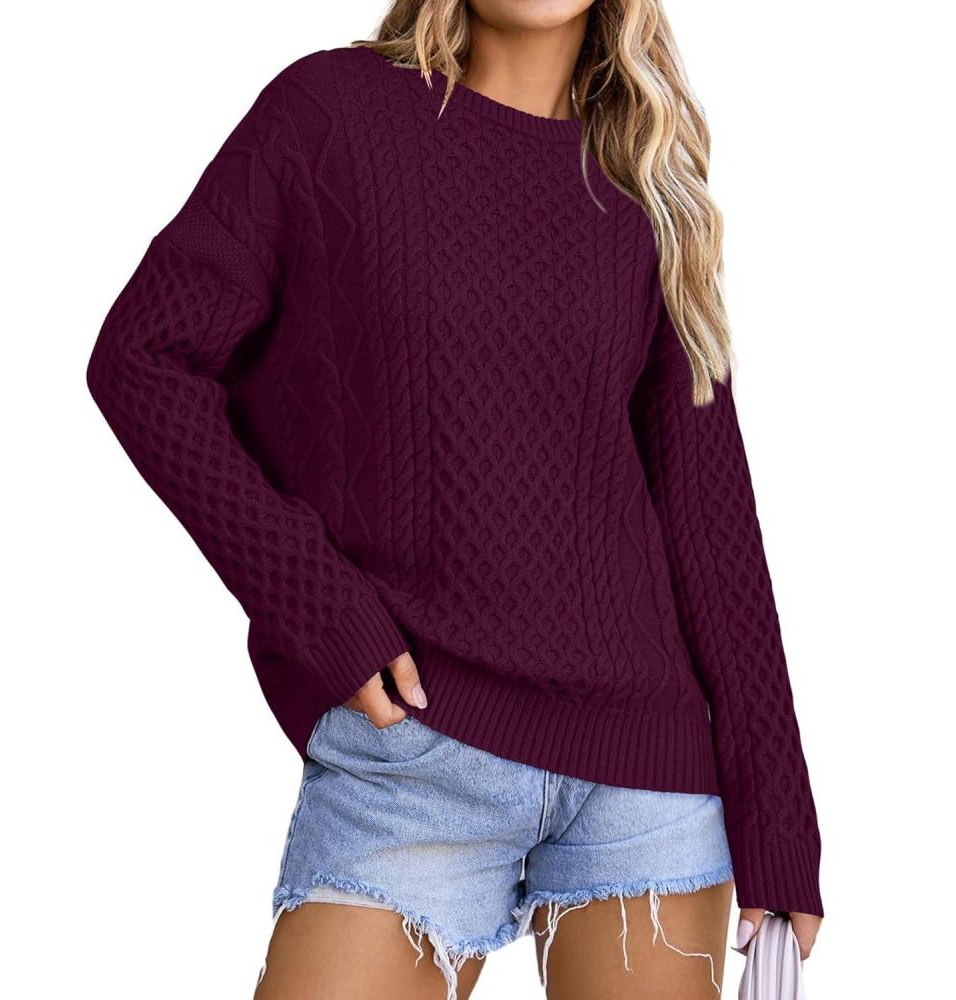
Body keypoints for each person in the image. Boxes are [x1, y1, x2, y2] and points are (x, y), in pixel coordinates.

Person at [86, 2, 823, 997]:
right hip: (414, 758)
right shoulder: (330, 115)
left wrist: (778, 816)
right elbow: (142, 359)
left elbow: (709, 510)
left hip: (642, 774)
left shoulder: (646, 182)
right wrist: (317, 605)